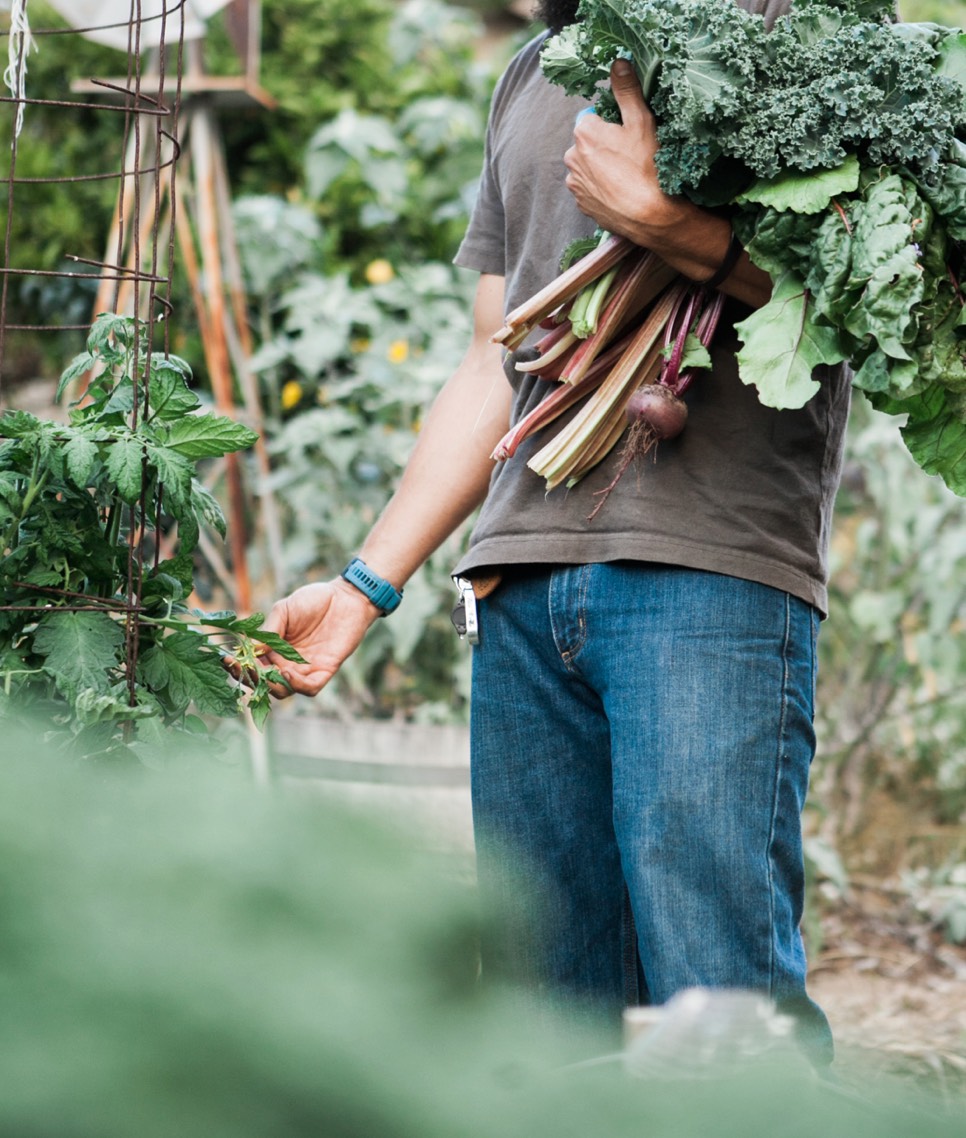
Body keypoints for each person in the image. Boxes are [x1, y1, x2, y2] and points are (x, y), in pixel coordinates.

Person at [259, 0, 850, 1064]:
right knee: (543, 1024)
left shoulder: (792, 28)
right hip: (521, 587)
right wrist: (364, 586)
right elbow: (500, 352)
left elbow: (855, 298)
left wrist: (675, 229)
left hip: (703, 575)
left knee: (723, 1013)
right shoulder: (533, 68)